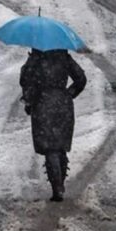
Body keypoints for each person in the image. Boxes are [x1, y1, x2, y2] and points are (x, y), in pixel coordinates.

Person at [19, 48, 87, 202]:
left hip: (42, 104)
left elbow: (24, 80)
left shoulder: (36, 58)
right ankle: (60, 183)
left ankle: (57, 187)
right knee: (60, 146)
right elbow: (81, 79)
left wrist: (29, 100)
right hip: (63, 104)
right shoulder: (64, 57)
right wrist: (69, 93)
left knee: (50, 148)